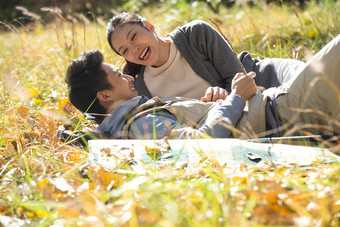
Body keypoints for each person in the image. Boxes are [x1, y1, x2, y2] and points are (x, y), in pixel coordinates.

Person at [65, 34, 340, 140]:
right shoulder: (139, 123)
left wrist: (214, 103)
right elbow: (201, 144)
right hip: (282, 111)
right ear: (104, 96)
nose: (127, 77)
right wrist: (235, 97)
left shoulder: (133, 118)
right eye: (118, 76)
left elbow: (196, 130)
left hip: (275, 106)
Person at [106, 12, 306, 102]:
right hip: (252, 111)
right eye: (124, 50)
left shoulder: (195, 34)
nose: (134, 49)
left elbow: (238, 78)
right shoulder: (144, 89)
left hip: (267, 77)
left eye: (134, 37)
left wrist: (223, 98)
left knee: (319, 79)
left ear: (149, 26)